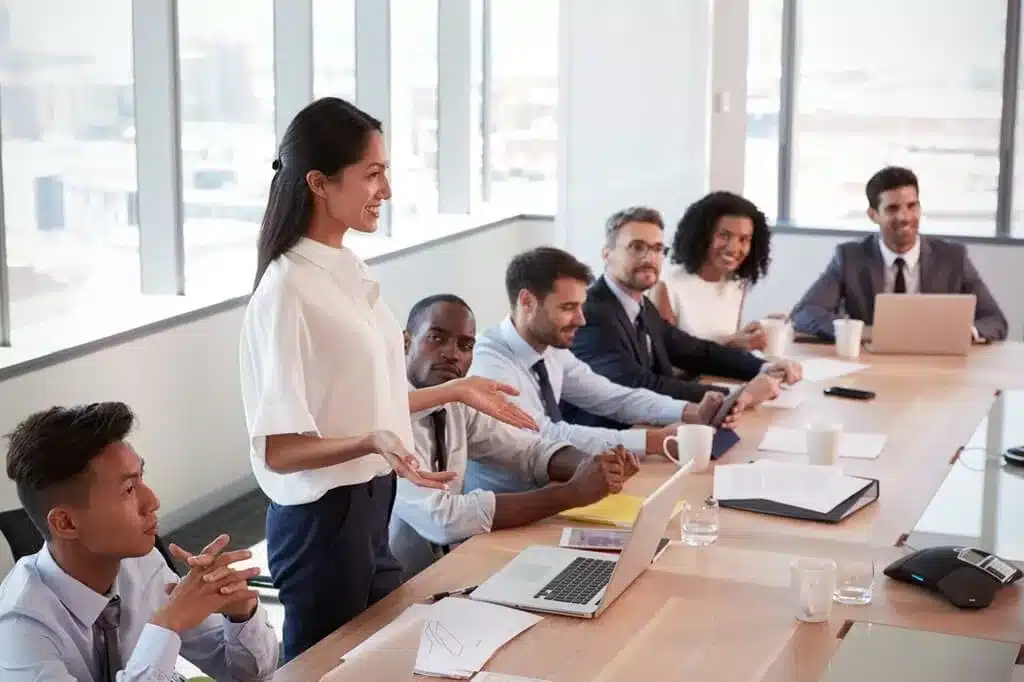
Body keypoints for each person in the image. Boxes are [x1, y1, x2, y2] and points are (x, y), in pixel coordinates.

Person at [239, 97, 538, 662]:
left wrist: (454, 390)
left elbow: (367, 402)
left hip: (371, 502)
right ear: (320, 184)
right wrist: (371, 440)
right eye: (373, 174)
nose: (387, 190)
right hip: (324, 519)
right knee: (325, 669)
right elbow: (278, 448)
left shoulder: (347, 269)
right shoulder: (286, 291)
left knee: (391, 656)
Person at [0, 402, 279, 681]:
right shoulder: (18, 627)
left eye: (141, 478)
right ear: (66, 523)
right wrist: (168, 623)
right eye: (129, 489)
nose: (153, 501)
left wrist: (240, 613)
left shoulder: (143, 563)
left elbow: (248, 675)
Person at [390, 294, 639, 577]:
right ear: (406, 341)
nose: (453, 353)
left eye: (465, 345)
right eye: (437, 338)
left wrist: (593, 466)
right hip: (397, 588)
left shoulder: (458, 399)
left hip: (451, 569)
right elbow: (443, 519)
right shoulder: (387, 413)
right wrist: (569, 494)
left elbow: (525, 450)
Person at [468, 246, 734, 494]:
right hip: (506, 511)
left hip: (555, 493)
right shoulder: (489, 363)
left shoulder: (550, 347)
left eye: (580, 306)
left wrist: (688, 411)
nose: (581, 320)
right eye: (568, 308)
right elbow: (546, 435)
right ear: (526, 301)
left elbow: (610, 396)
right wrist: (652, 440)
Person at [570, 206, 800, 428]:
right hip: (613, 441)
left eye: (658, 249)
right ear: (606, 254)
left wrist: (763, 366)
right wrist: (740, 395)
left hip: (653, 426)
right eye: (637, 247)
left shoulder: (640, 304)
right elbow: (637, 384)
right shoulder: (591, 313)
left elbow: (695, 351)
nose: (649, 257)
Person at [791, 166, 1008, 341]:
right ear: (873, 214)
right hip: (872, 365)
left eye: (912, 206)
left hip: (938, 367)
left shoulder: (953, 257)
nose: (905, 217)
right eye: (893, 209)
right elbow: (805, 312)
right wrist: (863, 333)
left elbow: (994, 320)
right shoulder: (850, 257)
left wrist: (965, 333)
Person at [650, 193, 783, 350]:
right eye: (724, 236)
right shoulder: (666, 286)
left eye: (743, 239)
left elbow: (727, 343)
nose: (734, 248)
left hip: (720, 374)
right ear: (701, 236)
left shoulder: (737, 283)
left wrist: (758, 330)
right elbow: (666, 359)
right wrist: (729, 344)